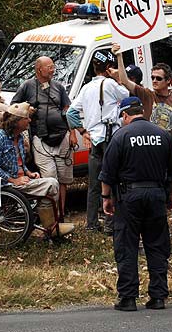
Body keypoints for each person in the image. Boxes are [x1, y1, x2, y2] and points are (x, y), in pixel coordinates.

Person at [100, 97, 172, 311]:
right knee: (156, 245)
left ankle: (127, 298)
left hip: (129, 198)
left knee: (127, 246)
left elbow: (107, 174)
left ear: (126, 115)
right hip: (156, 195)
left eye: (122, 117)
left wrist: (106, 199)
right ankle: (158, 297)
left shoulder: (121, 136)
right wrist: (171, 196)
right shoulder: (162, 135)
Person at [112, 43, 172, 253]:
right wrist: (120, 56)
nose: (154, 81)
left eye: (159, 78)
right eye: (153, 77)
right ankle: (140, 241)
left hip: (168, 155)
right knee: (145, 199)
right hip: (147, 155)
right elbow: (124, 80)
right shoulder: (146, 95)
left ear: (169, 81)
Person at [0, 102, 75, 238]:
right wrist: (14, 179)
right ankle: (50, 228)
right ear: (17, 121)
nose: (30, 121)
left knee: (51, 184)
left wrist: (28, 172)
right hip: (6, 184)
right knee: (52, 184)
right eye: (27, 118)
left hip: (19, 179)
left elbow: (19, 162)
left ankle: (50, 225)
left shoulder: (19, 137)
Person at [67, 50, 129, 233]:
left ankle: (92, 223)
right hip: (111, 138)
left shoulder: (86, 88)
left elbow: (70, 113)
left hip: (94, 140)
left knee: (94, 182)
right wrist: (118, 78)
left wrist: (83, 131)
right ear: (109, 68)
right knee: (114, 179)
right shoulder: (111, 84)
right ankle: (111, 223)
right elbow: (128, 96)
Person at [11, 56, 74, 220]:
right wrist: (28, 110)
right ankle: (49, 218)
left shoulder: (59, 87)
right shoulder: (27, 86)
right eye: (49, 67)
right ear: (39, 69)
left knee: (63, 179)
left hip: (62, 136)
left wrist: (72, 131)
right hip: (40, 138)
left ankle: (60, 215)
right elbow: (14, 107)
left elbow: (68, 108)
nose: (53, 69)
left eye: (53, 66)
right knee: (49, 178)